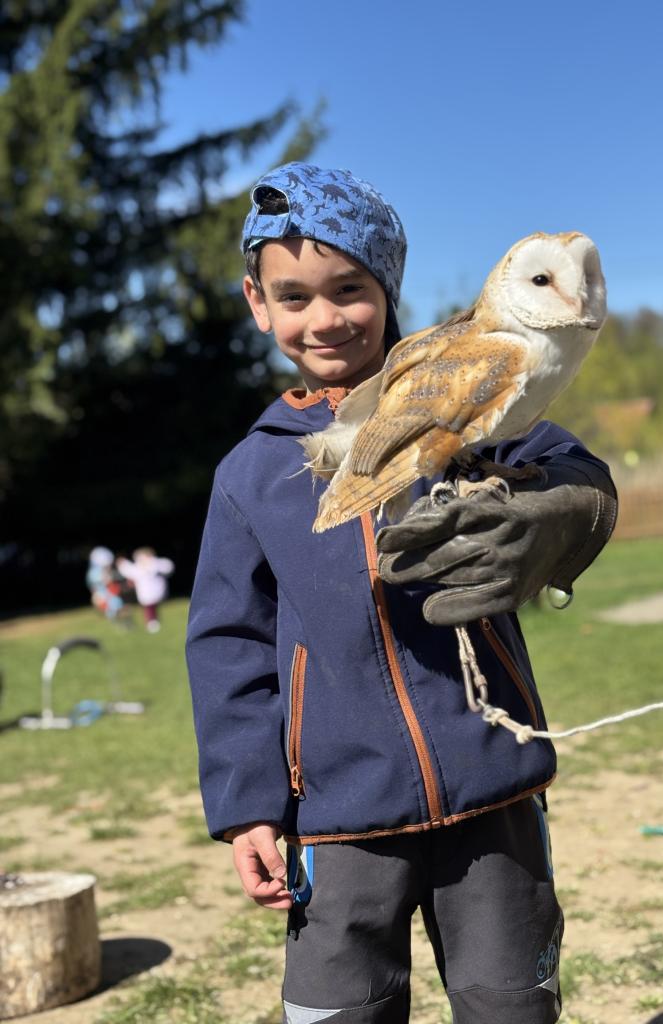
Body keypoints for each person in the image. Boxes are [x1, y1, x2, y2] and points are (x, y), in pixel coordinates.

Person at [186, 162, 617, 1024]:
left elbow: (576, 470)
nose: (325, 317)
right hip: (337, 810)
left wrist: (562, 515)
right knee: (344, 1010)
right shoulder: (252, 472)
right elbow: (229, 645)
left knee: (509, 1005)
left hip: (491, 782)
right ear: (258, 304)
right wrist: (247, 807)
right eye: (294, 296)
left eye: (349, 288)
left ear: (386, 290)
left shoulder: (466, 374)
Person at [117, 547, 174, 633]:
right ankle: (152, 622)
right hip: (145, 592)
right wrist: (122, 563)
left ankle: (154, 621)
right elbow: (129, 570)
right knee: (149, 607)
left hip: (157, 590)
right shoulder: (138, 568)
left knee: (153, 606)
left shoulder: (156, 564)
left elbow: (168, 566)